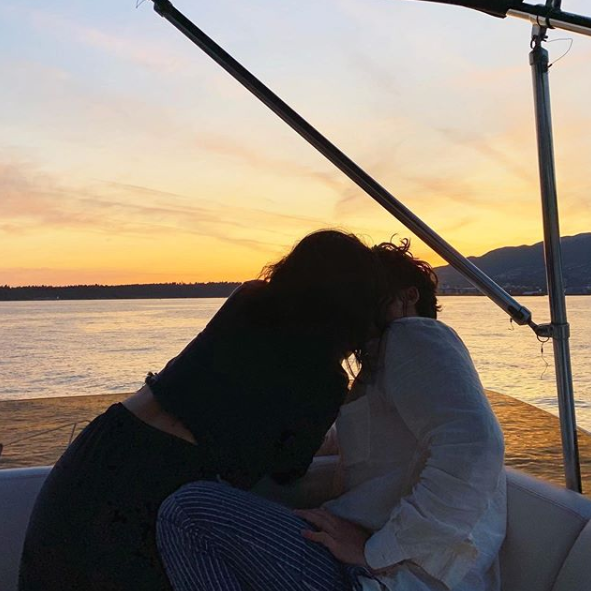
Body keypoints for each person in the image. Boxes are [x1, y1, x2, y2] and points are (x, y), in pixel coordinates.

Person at [19, 229, 386, 591]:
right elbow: (287, 470)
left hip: (103, 446)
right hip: (160, 486)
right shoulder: (325, 379)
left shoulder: (248, 299)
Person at [156, 239, 506, 591]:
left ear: (408, 296)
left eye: (368, 292)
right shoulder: (383, 368)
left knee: (188, 511)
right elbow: (359, 446)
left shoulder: (411, 334)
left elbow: (476, 446)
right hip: (369, 566)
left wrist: (377, 552)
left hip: (384, 577)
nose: (354, 304)